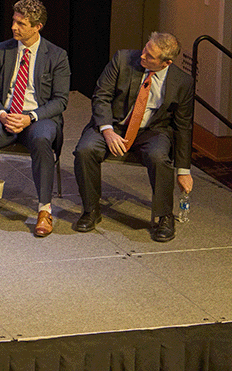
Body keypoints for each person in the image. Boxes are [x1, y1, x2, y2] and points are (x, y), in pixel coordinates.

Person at [0, 0, 70, 237]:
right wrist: (1, 113)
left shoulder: (57, 55)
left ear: (37, 26)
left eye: (21, 23)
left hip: (38, 117)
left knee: (42, 140)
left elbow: (61, 101)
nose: (14, 27)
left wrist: (30, 117)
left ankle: (44, 210)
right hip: (5, 113)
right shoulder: (1, 50)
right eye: (14, 21)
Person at [73, 32, 194, 242]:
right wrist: (108, 130)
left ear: (166, 62)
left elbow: (183, 127)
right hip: (114, 125)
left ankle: (164, 216)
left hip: (153, 130)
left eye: (150, 56)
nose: (143, 56)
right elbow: (101, 96)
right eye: (145, 48)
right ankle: (91, 210)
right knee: (85, 150)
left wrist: (184, 170)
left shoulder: (182, 82)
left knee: (159, 157)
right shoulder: (122, 60)